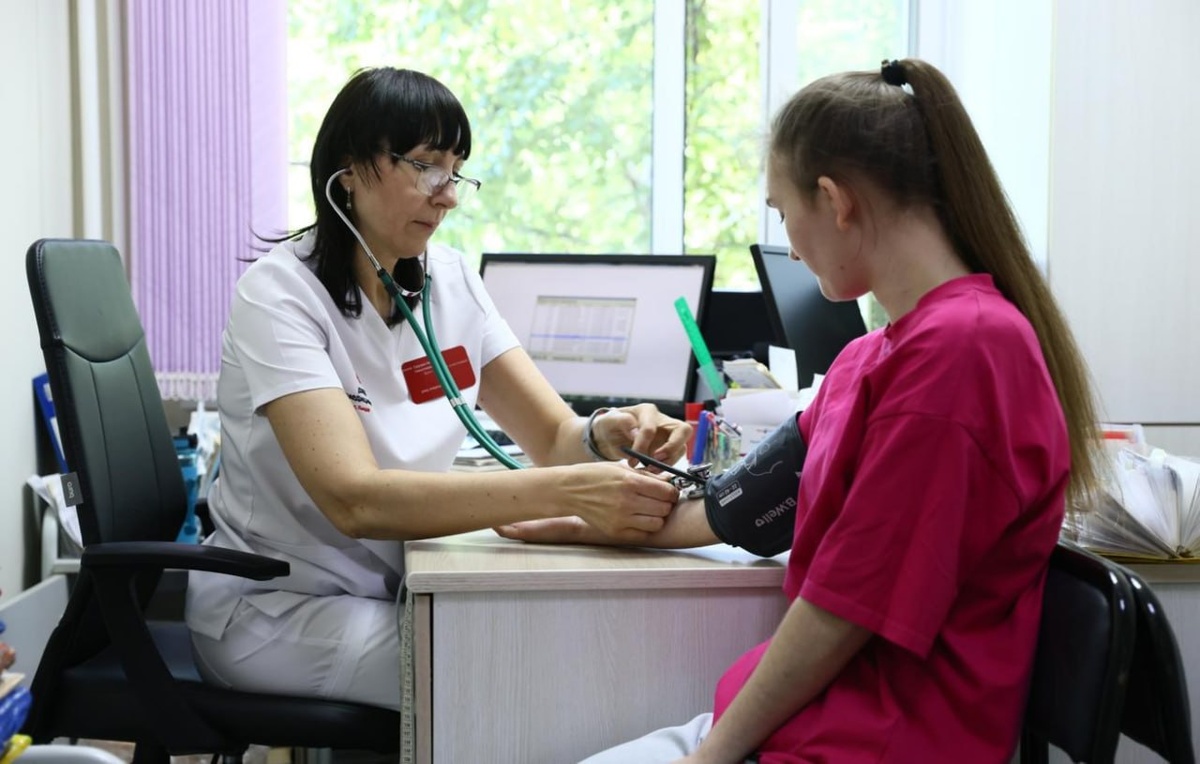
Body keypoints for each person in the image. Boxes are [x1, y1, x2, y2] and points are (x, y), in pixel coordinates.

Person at [498, 57, 1104, 763]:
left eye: (784, 213)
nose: (788, 244)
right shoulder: (871, 358)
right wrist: (592, 522)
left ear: (835, 200)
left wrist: (709, 757)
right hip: (817, 730)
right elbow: (738, 506)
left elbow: (842, 613)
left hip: (877, 745)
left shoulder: (963, 353)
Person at [184, 66, 689, 711]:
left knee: (551, 638)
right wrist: (568, 489)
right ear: (349, 169)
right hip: (280, 609)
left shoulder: (450, 279)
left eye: (456, 172)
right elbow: (355, 501)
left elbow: (554, 438)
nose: (447, 195)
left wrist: (604, 435)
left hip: (391, 587)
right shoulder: (279, 296)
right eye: (427, 167)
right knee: (511, 672)